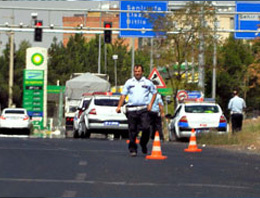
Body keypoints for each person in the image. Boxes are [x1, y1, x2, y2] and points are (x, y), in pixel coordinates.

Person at [116, 64, 157, 157]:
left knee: (146, 128)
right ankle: (132, 149)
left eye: (139, 71)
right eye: (135, 71)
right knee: (132, 130)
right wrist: (119, 106)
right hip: (132, 109)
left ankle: (143, 143)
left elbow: (154, 93)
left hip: (143, 109)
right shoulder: (129, 82)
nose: (137, 73)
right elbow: (123, 95)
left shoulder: (147, 82)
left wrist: (150, 104)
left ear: (142, 72)